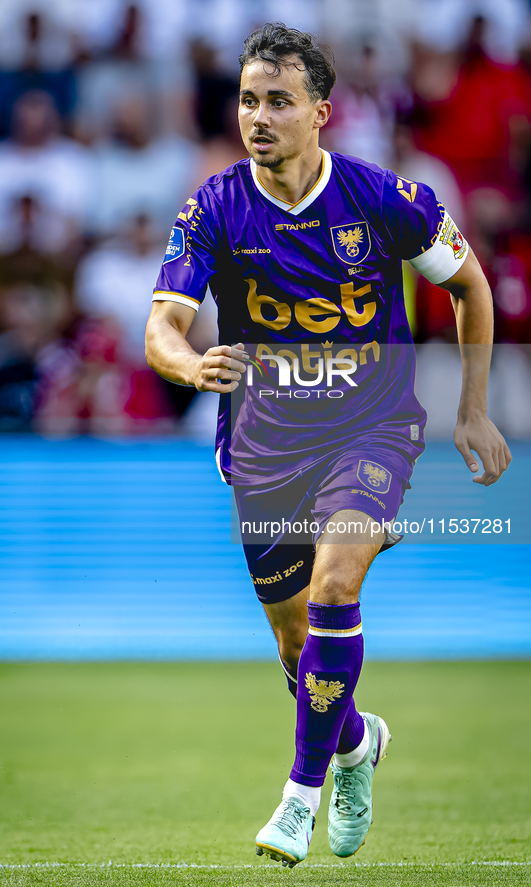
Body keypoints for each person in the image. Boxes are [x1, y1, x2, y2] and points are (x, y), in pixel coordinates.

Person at [145, 23, 511, 867]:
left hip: (370, 428)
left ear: (321, 112)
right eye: (247, 100)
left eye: (278, 101)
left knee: (335, 582)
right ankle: (353, 744)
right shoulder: (213, 205)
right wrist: (190, 362)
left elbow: (468, 285)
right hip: (264, 446)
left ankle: (300, 794)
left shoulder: (387, 197)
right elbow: (160, 327)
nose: (258, 116)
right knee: (292, 643)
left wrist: (472, 409)